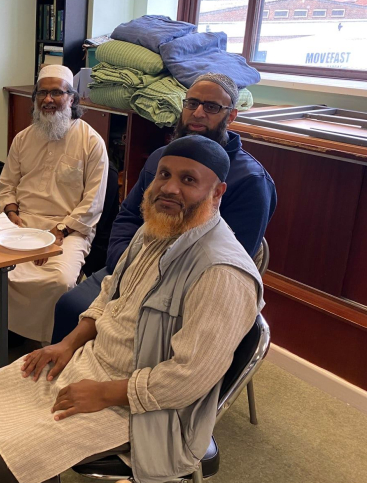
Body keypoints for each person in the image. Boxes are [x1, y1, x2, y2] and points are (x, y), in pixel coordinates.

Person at [0, 135, 264, 483]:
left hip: (151, 410)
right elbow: (111, 293)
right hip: (96, 362)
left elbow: (188, 379)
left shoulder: (221, 273)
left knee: (22, 462)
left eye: (188, 180)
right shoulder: (155, 229)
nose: (169, 188)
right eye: (164, 175)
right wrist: (68, 344)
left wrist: (104, 393)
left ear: (217, 193)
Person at [51, 72, 276, 344]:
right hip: (130, 267)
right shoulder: (162, 159)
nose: (198, 112)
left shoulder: (251, 181)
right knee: (70, 306)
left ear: (231, 116)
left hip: (185, 289)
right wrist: (128, 265)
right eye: (191, 103)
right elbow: (129, 216)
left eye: (212, 107)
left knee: (133, 335)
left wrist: (153, 278)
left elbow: (230, 260)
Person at [0, 65, 109, 348]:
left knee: (58, 280)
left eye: (56, 93)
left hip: (68, 229)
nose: (48, 100)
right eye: (42, 93)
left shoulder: (91, 143)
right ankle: (7, 329)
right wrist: (11, 213)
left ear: (71, 99)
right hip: (21, 222)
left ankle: (47, 340)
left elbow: (93, 203)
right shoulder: (23, 138)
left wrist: (58, 231)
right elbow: (8, 184)